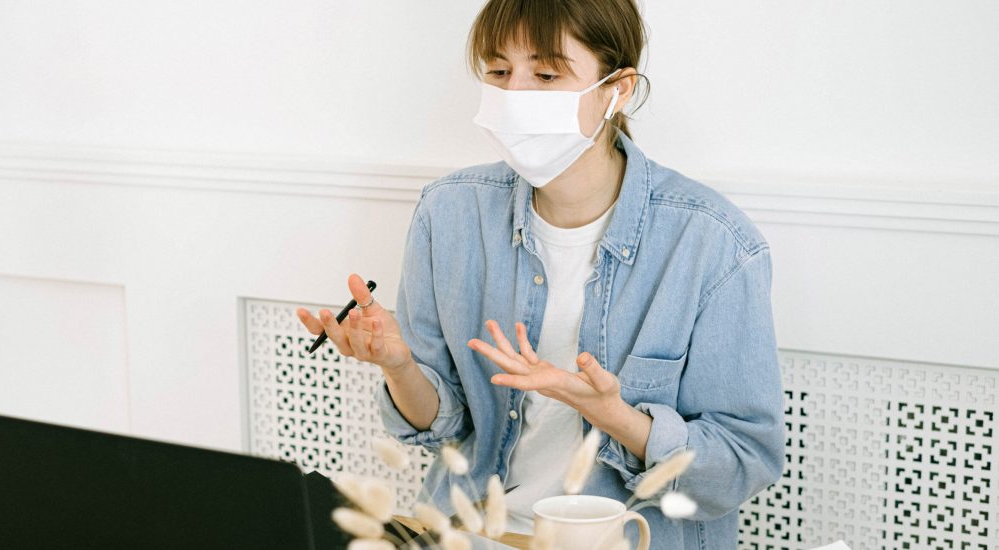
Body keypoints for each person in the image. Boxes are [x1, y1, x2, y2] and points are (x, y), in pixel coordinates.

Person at [295, 0, 785, 547]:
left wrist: (615, 416)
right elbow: (446, 427)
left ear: (616, 89)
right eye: (499, 73)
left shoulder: (713, 243)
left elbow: (744, 461)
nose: (515, 95)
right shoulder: (449, 212)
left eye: (546, 74)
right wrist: (401, 365)